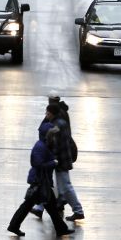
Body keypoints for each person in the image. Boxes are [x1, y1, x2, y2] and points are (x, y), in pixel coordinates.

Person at [7, 118, 74, 237]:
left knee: (48, 206)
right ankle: (14, 226)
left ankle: (61, 229)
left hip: (43, 181)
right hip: (40, 181)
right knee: (32, 206)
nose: (54, 137)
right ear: (47, 135)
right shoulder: (40, 147)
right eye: (52, 135)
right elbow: (37, 164)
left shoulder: (44, 145)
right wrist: (53, 163)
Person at [31, 93, 84, 222]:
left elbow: (55, 143)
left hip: (59, 159)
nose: (46, 115)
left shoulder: (57, 125)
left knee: (64, 186)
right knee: (52, 184)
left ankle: (77, 210)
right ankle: (43, 207)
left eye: (47, 113)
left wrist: (51, 159)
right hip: (59, 158)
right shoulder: (60, 119)